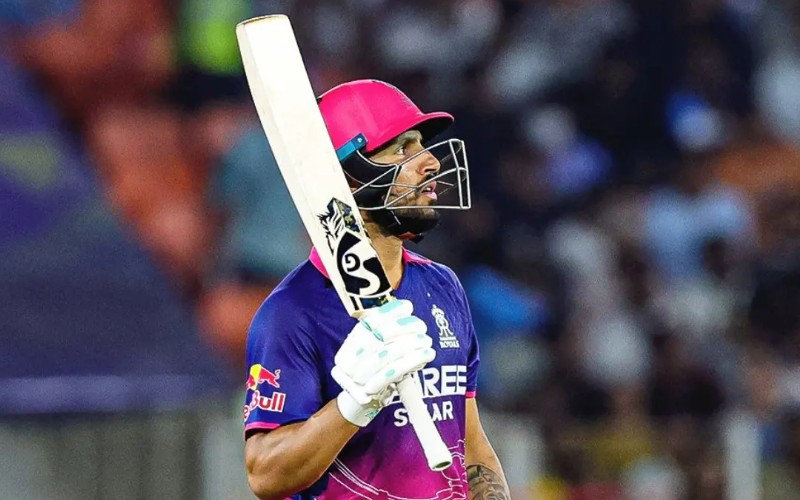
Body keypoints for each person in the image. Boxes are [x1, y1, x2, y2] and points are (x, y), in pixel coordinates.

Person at [242, 79, 509, 500]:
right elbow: (265, 474)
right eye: (402, 149)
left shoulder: (442, 286)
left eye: (422, 145)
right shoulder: (293, 311)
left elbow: (471, 446)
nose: (430, 162)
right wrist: (353, 404)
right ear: (347, 178)